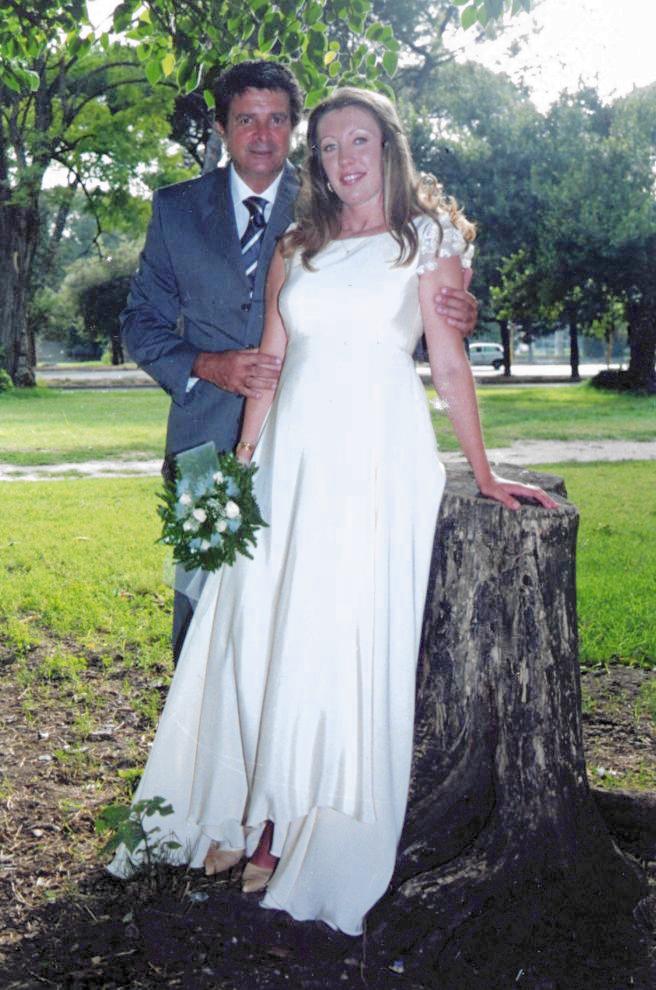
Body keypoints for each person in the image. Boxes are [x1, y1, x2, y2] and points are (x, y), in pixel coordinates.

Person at [109, 86, 558, 934]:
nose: (342, 158)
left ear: (389, 146)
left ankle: (296, 825)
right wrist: (243, 468)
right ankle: (245, 806)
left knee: (332, 632)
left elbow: (449, 364)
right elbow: (271, 365)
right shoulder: (297, 243)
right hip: (289, 460)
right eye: (327, 146)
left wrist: (485, 471)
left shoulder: (429, 240)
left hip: (372, 462)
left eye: (358, 141)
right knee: (260, 626)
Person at [120, 61, 480, 662]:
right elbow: (139, 323)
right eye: (246, 120)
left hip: (318, 447)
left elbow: (388, 299)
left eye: (278, 120)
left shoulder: (333, 196)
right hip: (204, 443)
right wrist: (208, 364)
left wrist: (457, 308)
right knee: (203, 614)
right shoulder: (175, 209)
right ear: (221, 128)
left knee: (303, 615)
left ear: (295, 128)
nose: (263, 135)